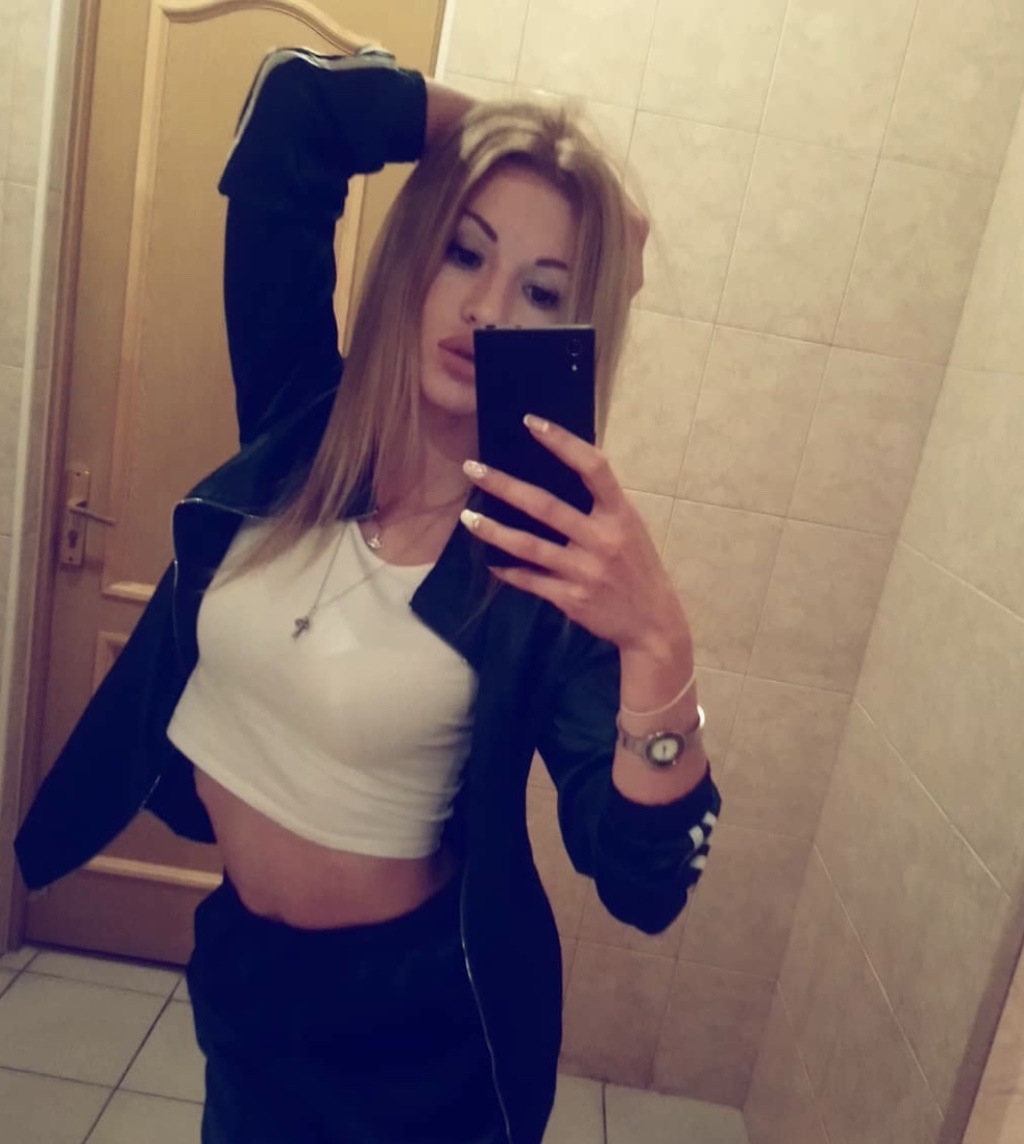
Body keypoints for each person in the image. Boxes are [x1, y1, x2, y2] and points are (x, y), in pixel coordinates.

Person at [15, 44, 722, 1144]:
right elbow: (294, 116)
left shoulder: (540, 557)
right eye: (464, 251)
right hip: (246, 983)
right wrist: (513, 136)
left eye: (541, 291)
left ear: (572, 332)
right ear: (415, 257)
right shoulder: (306, 421)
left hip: (412, 1044)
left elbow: (645, 881)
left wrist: (659, 651)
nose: (485, 307)